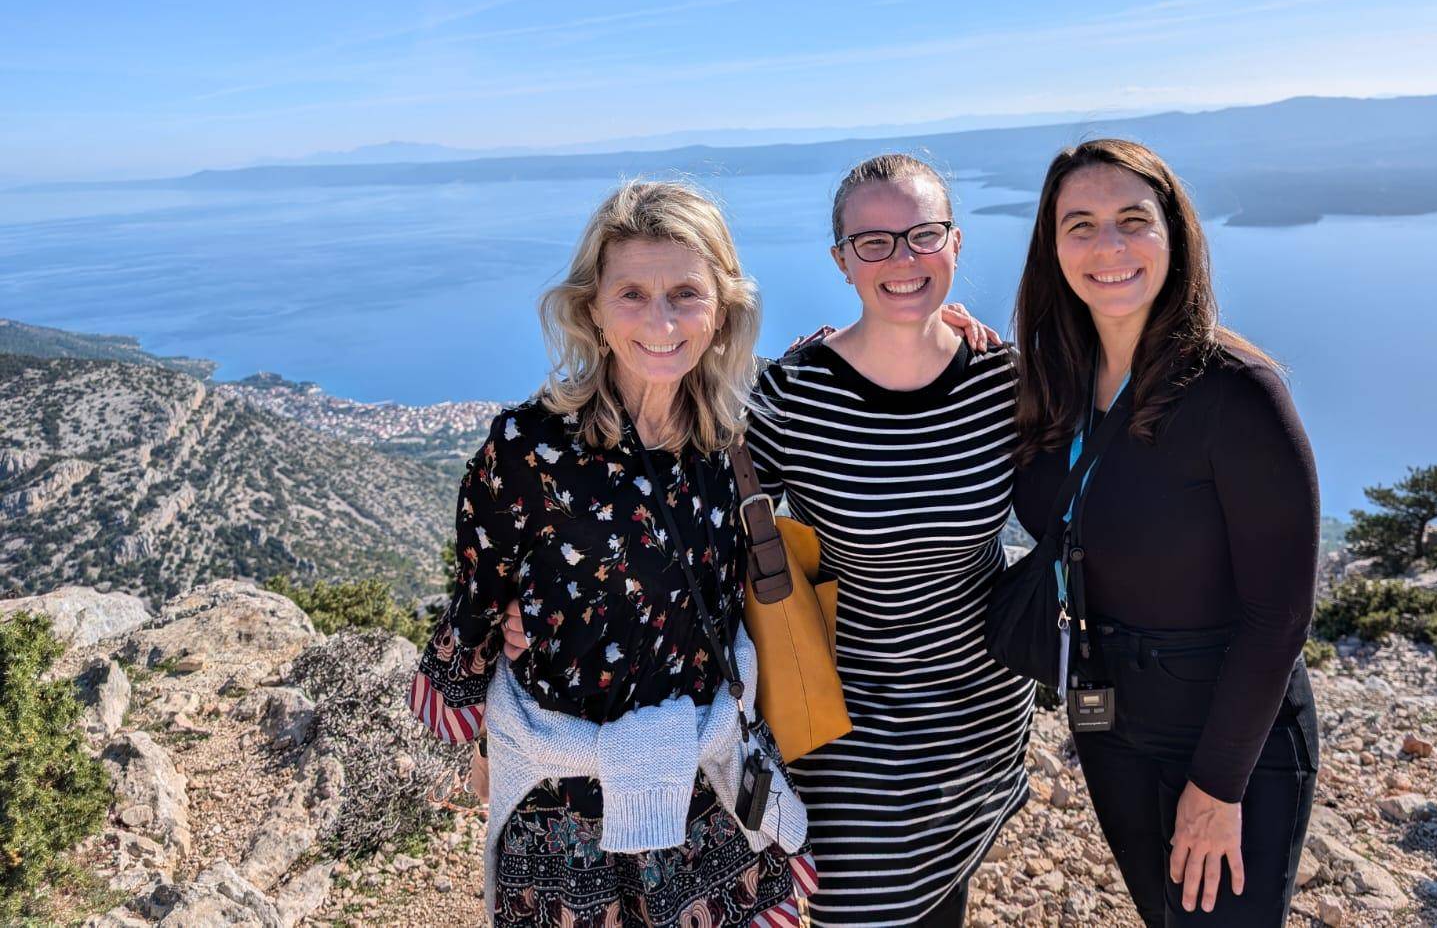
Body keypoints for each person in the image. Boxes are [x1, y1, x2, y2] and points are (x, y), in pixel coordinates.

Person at [409, 179, 815, 928]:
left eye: (686, 293)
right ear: (592, 309)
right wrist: (487, 745)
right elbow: (479, 600)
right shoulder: (525, 450)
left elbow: (862, 361)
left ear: (722, 308)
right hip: (568, 815)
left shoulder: (738, 437)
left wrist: (928, 315)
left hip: (707, 791)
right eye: (632, 293)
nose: (660, 321)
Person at [1009, 139, 1320, 927]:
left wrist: (1217, 790)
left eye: (1131, 220)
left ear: (1175, 235)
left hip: (1223, 730)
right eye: (1079, 225)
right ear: (1051, 247)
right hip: (1106, 714)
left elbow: (1278, 617)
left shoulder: (1237, 394)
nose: (1107, 246)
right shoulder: (1054, 385)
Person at [743, 153, 1036, 927]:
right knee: (859, 909)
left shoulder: (1003, 383)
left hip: (976, 708)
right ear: (841, 261)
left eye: (922, 235)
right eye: (873, 243)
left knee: (941, 900)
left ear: (956, 244)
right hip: (847, 717)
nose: (902, 259)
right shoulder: (795, 392)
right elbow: (702, 514)